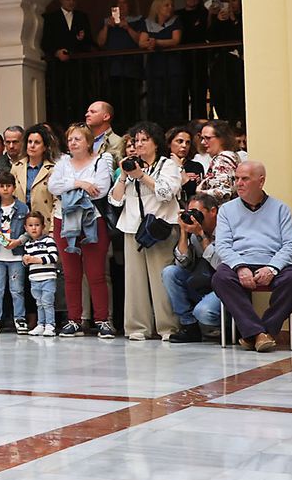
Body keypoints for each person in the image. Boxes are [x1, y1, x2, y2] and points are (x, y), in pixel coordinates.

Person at [210, 161, 292, 352]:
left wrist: (272, 268)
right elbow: (223, 246)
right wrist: (240, 267)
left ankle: (260, 332)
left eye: (245, 179)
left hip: (272, 262)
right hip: (240, 262)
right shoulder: (226, 210)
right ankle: (259, 334)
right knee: (220, 278)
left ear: (261, 182)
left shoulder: (280, 209)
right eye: (236, 179)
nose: (239, 183)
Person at [107, 122, 181, 341]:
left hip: (159, 228)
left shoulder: (167, 165)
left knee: (161, 280)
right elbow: (115, 200)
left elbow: (166, 193)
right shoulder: (130, 167)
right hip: (132, 228)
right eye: (135, 141)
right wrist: (123, 175)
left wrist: (141, 176)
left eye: (143, 140)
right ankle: (137, 327)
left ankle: (168, 327)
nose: (138, 145)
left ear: (156, 143)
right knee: (134, 281)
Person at [48, 122, 115, 337]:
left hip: (91, 220)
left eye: (78, 139)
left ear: (88, 142)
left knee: (96, 273)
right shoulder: (62, 162)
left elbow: (101, 190)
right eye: (70, 139)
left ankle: (103, 320)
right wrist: (81, 183)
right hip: (64, 220)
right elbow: (52, 186)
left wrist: (71, 185)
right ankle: (74, 319)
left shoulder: (101, 162)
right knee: (70, 274)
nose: (73, 143)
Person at [164, 192, 222, 344]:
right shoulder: (194, 232)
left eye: (197, 213)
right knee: (170, 272)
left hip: (224, 286)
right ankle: (189, 326)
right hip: (202, 282)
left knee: (203, 312)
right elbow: (182, 262)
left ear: (213, 211)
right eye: (190, 213)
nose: (193, 218)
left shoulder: (225, 229)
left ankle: (226, 328)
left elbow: (220, 265)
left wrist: (201, 235)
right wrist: (183, 232)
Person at [0, 172, 29, 333]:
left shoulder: (23, 207)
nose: (5, 189)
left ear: (14, 188)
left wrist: (18, 241)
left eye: (8, 186)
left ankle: (19, 319)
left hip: (16, 255)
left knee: (17, 289)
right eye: (1, 186)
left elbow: (29, 230)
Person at [40, 0, 93, 128]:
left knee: (79, 99)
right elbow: (45, 42)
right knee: (59, 101)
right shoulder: (51, 18)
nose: (71, 2)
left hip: (77, 68)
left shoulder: (82, 17)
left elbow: (89, 42)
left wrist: (82, 39)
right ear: (61, 0)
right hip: (58, 68)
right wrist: (56, 52)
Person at [95, 0, 145, 125]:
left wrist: (127, 27)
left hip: (131, 69)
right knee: (113, 103)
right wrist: (107, 26)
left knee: (131, 103)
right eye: (118, 3)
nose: (121, 6)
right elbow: (100, 42)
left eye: (124, 3)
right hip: (112, 70)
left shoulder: (138, 21)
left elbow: (140, 40)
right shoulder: (107, 22)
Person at [138, 0, 184, 125]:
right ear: (157, 7)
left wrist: (156, 42)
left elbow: (175, 40)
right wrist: (148, 44)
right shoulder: (147, 23)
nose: (170, 8)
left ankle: (174, 127)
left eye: (172, 5)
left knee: (173, 98)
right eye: (166, 5)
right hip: (155, 66)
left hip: (172, 65)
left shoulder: (175, 21)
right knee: (155, 99)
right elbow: (141, 42)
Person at [208, 0, 245, 123]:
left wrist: (233, 19)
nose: (231, 4)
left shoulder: (245, 17)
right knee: (221, 94)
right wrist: (217, 19)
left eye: (234, 0)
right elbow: (211, 37)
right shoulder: (221, 19)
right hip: (222, 64)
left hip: (239, 64)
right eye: (228, 1)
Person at [20, 212, 60, 336]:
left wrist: (37, 260)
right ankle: (41, 324)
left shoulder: (48, 240)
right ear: (26, 228)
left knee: (47, 302)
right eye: (30, 225)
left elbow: (54, 257)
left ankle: (50, 325)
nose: (34, 228)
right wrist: (25, 261)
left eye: (37, 225)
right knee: (39, 303)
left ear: (43, 226)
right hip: (34, 279)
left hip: (48, 278)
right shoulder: (28, 245)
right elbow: (27, 264)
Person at [179, 0, 209, 120]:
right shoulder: (177, 15)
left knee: (199, 95)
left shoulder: (204, 14)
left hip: (199, 60)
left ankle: (200, 125)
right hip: (181, 60)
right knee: (181, 95)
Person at [196, 120, 241, 202]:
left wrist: (201, 192)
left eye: (208, 138)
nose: (202, 142)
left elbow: (224, 192)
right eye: (202, 138)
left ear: (222, 139)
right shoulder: (232, 155)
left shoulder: (223, 159)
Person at [168, 125, 204, 205]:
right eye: (180, 141)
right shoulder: (162, 164)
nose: (184, 145)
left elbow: (192, 190)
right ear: (169, 143)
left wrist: (180, 167)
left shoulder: (196, 166)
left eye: (188, 143)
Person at [84, 100, 124, 166]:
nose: (87, 115)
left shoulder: (118, 142)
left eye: (93, 112)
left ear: (106, 117)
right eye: (87, 112)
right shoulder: (81, 140)